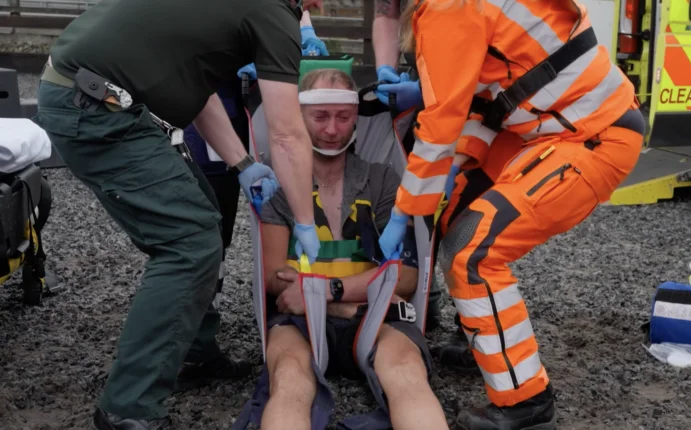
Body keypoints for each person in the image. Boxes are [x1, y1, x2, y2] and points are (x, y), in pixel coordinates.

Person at [30, 0, 321, 428]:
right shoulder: (273, 12)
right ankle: (128, 409)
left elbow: (196, 86)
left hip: (93, 94)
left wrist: (241, 164)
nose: (316, 5)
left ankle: (191, 353)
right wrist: (306, 222)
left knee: (200, 214)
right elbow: (288, 133)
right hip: (95, 107)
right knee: (190, 242)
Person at [376, 1, 645, 429]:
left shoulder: (448, 6)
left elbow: (441, 121)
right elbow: (492, 93)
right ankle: (486, 342)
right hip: (545, 127)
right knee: (457, 218)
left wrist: (407, 210)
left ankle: (525, 402)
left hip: (591, 134)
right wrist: (452, 162)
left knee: (472, 249)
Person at [234, 68, 449, 430]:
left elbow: (408, 279)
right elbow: (274, 279)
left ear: (356, 122)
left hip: (365, 314)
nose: (332, 130)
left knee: (408, 376)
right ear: (300, 117)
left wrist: (327, 294)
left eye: (343, 117)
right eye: (320, 117)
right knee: (288, 381)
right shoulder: (277, 182)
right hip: (307, 318)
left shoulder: (382, 180)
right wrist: (363, 293)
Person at [176, 12, 331, 390]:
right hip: (212, 104)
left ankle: (200, 341)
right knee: (210, 223)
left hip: (255, 101)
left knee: (222, 231)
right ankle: (191, 345)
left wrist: (305, 31)